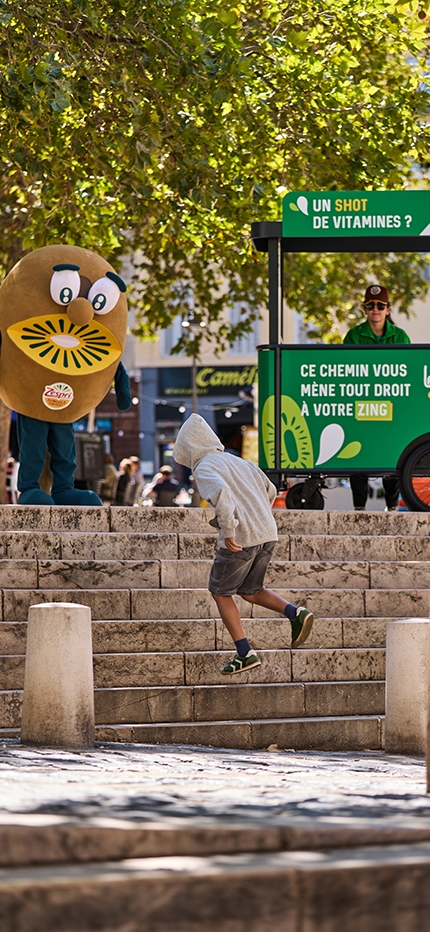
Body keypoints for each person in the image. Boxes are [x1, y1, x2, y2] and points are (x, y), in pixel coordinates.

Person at [173, 414, 314, 675]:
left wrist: (229, 530)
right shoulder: (238, 462)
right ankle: (296, 613)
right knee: (250, 589)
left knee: (220, 591)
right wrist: (257, 516)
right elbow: (270, 489)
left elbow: (223, 497)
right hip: (267, 532)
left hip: (241, 537)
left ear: (188, 449)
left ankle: (244, 652)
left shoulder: (204, 467)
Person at [343, 284, 411, 512]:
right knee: (358, 453)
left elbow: (407, 371)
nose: (375, 309)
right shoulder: (353, 335)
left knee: (392, 454)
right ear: (364, 309)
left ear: (388, 310)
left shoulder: (400, 336)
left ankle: (392, 507)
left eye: (380, 306)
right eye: (370, 305)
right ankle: (359, 508)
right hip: (361, 404)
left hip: (391, 405)